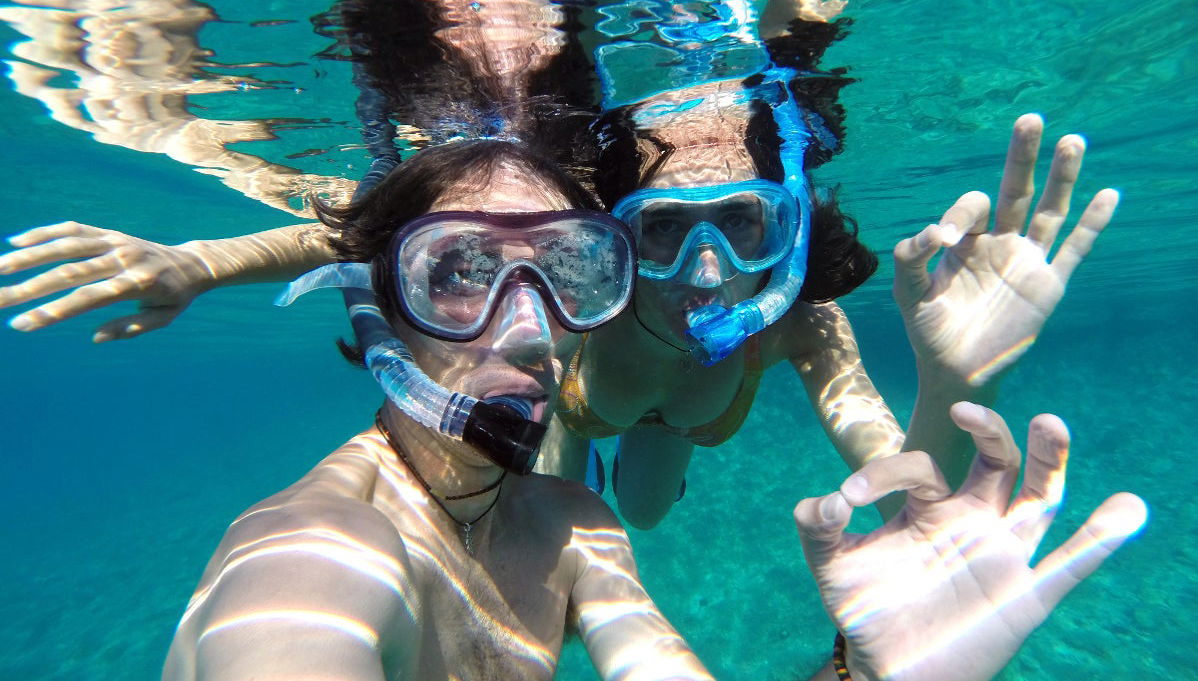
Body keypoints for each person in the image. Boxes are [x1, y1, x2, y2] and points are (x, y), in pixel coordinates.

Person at [153, 135, 1146, 681]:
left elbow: (884, 461)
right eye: (458, 271)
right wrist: (203, 262)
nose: (533, 325)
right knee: (566, 461)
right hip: (583, 417)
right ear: (380, 298)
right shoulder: (313, 553)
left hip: (626, 458)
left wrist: (863, 674)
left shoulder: (580, 539)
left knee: (634, 507)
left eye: (564, 274)